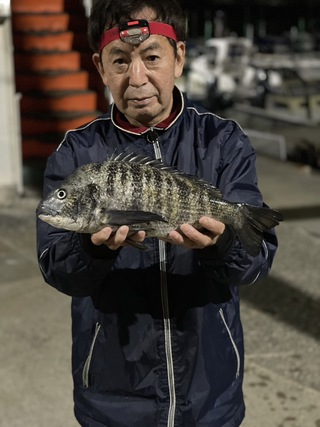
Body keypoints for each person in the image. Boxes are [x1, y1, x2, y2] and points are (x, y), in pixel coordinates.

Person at [36, 0, 279, 426]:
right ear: (100, 65)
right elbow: (56, 269)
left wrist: (221, 244)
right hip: (112, 402)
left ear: (178, 57)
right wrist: (92, 252)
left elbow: (255, 265)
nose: (137, 77)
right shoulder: (76, 153)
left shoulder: (223, 142)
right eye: (120, 60)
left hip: (210, 398)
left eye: (152, 57)